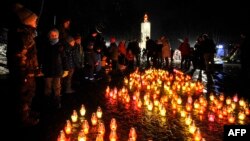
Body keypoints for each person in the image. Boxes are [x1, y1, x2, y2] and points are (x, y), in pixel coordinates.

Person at [7, 3, 41, 126]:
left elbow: (32, 54)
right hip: (23, 72)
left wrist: (35, 68)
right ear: (27, 21)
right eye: (35, 20)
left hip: (29, 71)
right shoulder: (21, 36)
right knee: (23, 94)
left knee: (30, 92)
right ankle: (23, 118)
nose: (36, 22)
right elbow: (19, 56)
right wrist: (24, 72)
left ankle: (28, 111)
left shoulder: (28, 34)